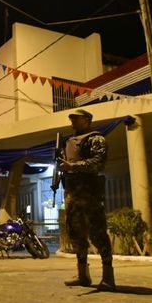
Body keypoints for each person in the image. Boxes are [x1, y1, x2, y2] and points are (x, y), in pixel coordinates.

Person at [59, 109, 115, 291]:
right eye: (71, 119)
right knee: (75, 233)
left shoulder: (95, 139)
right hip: (72, 193)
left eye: (76, 119)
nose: (72, 122)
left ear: (87, 120)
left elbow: (98, 162)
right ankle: (83, 274)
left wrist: (72, 166)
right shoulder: (68, 141)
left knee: (97, 232)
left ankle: (108, 277)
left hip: (89, 193)